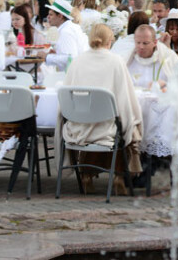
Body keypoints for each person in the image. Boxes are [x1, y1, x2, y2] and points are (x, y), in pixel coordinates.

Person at [59, 23, 143, 195]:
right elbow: (125, 98)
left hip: (78, 127)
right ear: (109, 41)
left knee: (101, 123)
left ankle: (87, 175)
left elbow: (66, 96)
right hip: (107, 128)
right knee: (121, 125)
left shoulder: (78, 61)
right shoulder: (116, 61)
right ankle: (119, 176)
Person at [38, 0, 90, 70]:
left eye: (51, 14)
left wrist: (47, 57)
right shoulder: (69, 27)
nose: (48, 17)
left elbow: (70, 58)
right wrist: (56, 54)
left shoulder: (66, 31)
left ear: (60, 16)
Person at [126, 24, 178, 90]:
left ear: (155, 42)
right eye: (138, 42)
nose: (141, 47)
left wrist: (165, 85)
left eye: (145, 43)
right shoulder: (127, 60)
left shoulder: (169, 57)